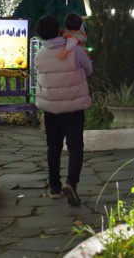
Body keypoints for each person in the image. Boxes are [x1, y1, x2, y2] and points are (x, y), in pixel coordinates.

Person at [34, 14, 92, 206]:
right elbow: (89, 69)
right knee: (75, 147)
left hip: (51, 109)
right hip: (74, 109)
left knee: (54, 147)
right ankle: (71, 183)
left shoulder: (39, 55)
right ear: (59, 29)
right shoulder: (74, 50)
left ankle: (54, 187)